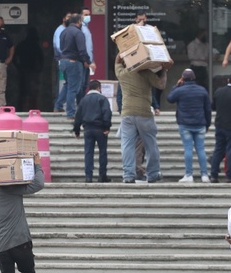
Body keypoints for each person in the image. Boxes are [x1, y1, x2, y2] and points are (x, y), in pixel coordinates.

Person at [115, 52, 171, 183]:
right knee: (150, 144)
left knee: (127, 145)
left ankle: (128, 175)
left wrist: (126, 49)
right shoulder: (146, 73)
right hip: (144, 113)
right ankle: (152, 174)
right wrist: (164, 70)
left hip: (127, 114)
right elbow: (161, 85)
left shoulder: (122, 73)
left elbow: (117, 60)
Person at [167, 68, 211, 183]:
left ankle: (189, 174)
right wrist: (208, 123)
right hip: (200, 123)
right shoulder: (202, 90)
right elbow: (208, 109)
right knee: (201, 149)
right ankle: (204, 175)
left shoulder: (180, 90)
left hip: (185, 124)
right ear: (194, 78)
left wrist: (176, 85)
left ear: (183, 78)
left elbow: (170, 98)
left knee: (188, 149)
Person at [73, 79, 112, 182]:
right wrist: (107, 127)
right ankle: (102, 175)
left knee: (88, 153)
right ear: (99, 88)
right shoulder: (102, 99)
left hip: (87, 129)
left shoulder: (83, 100)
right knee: (102, 152)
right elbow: (107, 113)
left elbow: (78, 116)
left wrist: (77, 130)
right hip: (100, 129)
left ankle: (88, 176)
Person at [58, 13, 90, 121]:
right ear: (79, 22)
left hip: (63, 61)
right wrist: (87, 61)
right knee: (73, 88)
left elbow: (61, 47)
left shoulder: (63, 31)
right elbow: (82, 50)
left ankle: (58, 106)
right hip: (74, 62)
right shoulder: (78, 33)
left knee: (67, 85)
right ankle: (70, 113)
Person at [14, 26, 45, 111]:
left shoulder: (22, 44)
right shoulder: (35, 46)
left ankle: (21, 109)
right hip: (31, 70)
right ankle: (32, 109)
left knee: (23, 91)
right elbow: (41, 59)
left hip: (26, 70)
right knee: (32, 92)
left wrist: (18, 66)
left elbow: (14, 57)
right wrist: (39, 68)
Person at [52, 12, 72, 114]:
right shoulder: (60, 30)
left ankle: (59, 105)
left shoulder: (66, 30)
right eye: (68, 17)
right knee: (67, 84)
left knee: (67, 84)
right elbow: (59, 47)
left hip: (64, 59)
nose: (70, 19)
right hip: (64, 60)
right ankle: (59, 105)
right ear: (63, 18)